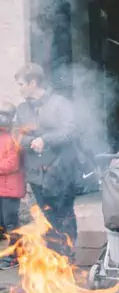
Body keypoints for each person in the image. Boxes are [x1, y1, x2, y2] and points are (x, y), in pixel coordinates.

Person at [14, 63, 77, 259]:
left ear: (33, 83)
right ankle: (52, 259)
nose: (19, 88)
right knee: (45, 216)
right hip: (36, 174)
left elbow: (70, 131)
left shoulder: (60, 104)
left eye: (21, 83)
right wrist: (31, 141)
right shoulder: (22, 109)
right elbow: (16, 134)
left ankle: (68, 257)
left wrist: (45, 140)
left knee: (63, 216)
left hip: (60, 172)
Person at [0, 99, 24, 269]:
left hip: (10, 189)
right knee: (3, 224)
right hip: (2, 188)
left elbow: (12, 164)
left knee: (11, 224)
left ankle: (15, 256)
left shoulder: (13, 139)